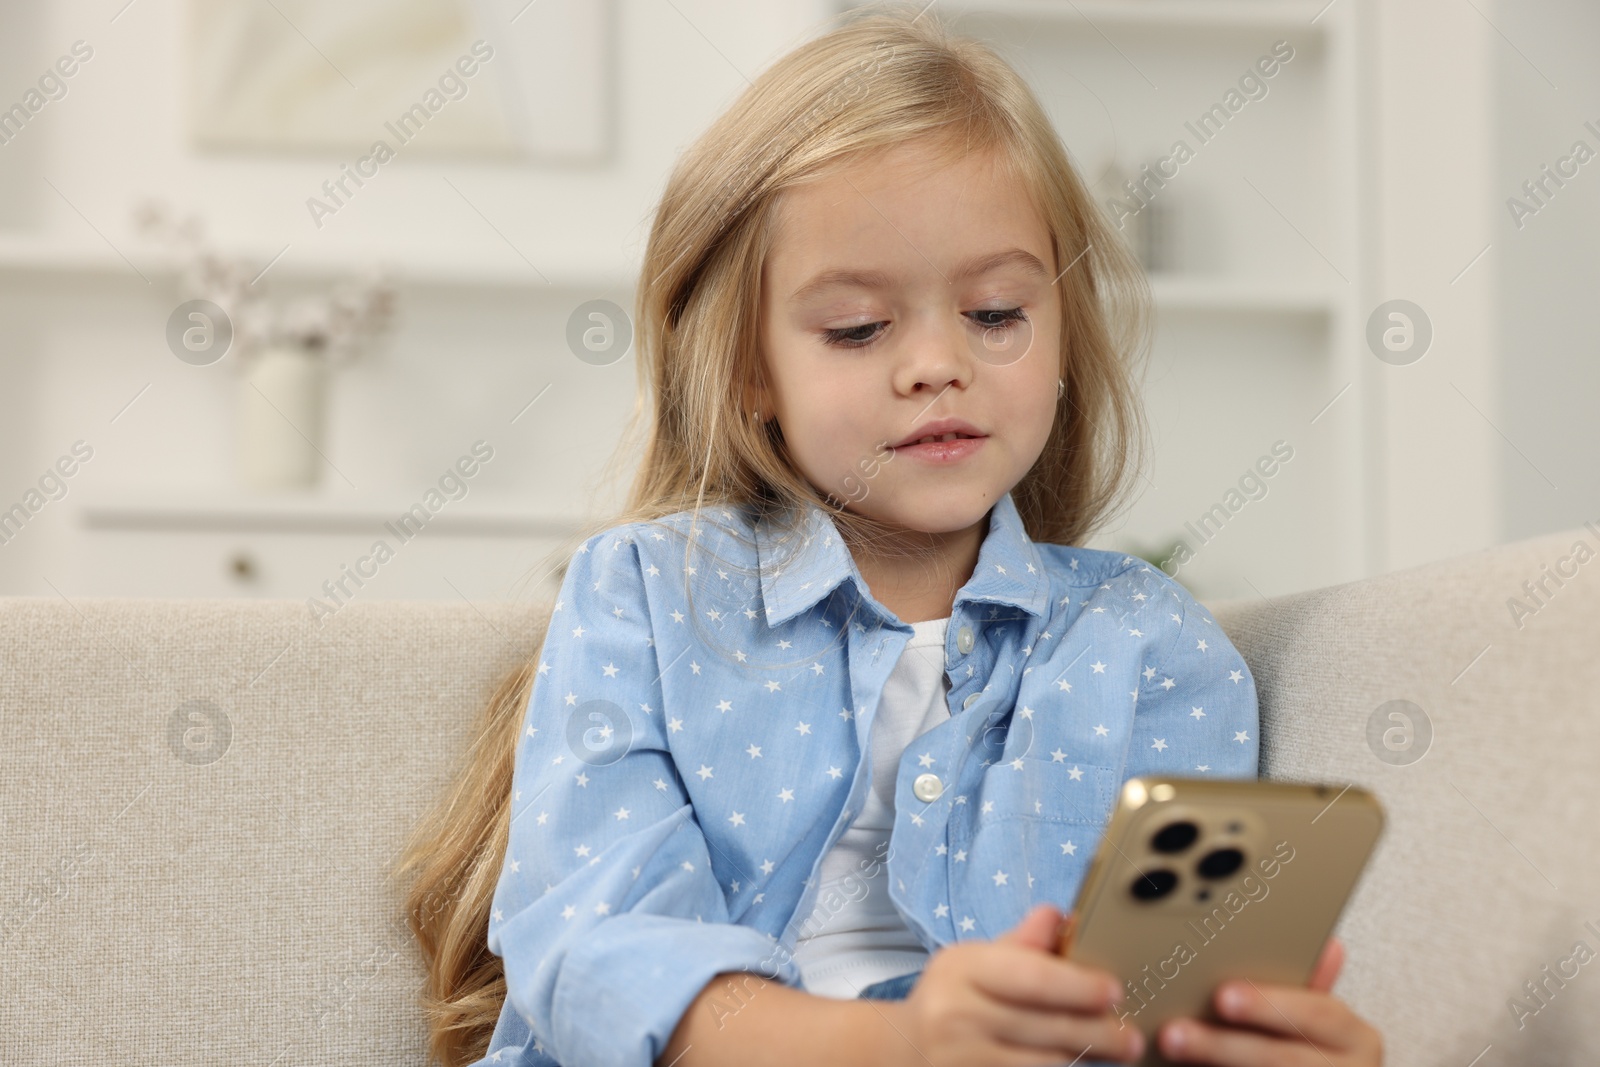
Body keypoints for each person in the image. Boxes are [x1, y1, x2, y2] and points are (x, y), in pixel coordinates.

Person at [395, 5, 1384, 1067]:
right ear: (747, 370)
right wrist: (900, 1040)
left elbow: (1159, 998)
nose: (935, 364)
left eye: (997, 313)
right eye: (859, 327)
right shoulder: (648, 594)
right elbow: (597, 953)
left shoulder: (1147, 640)